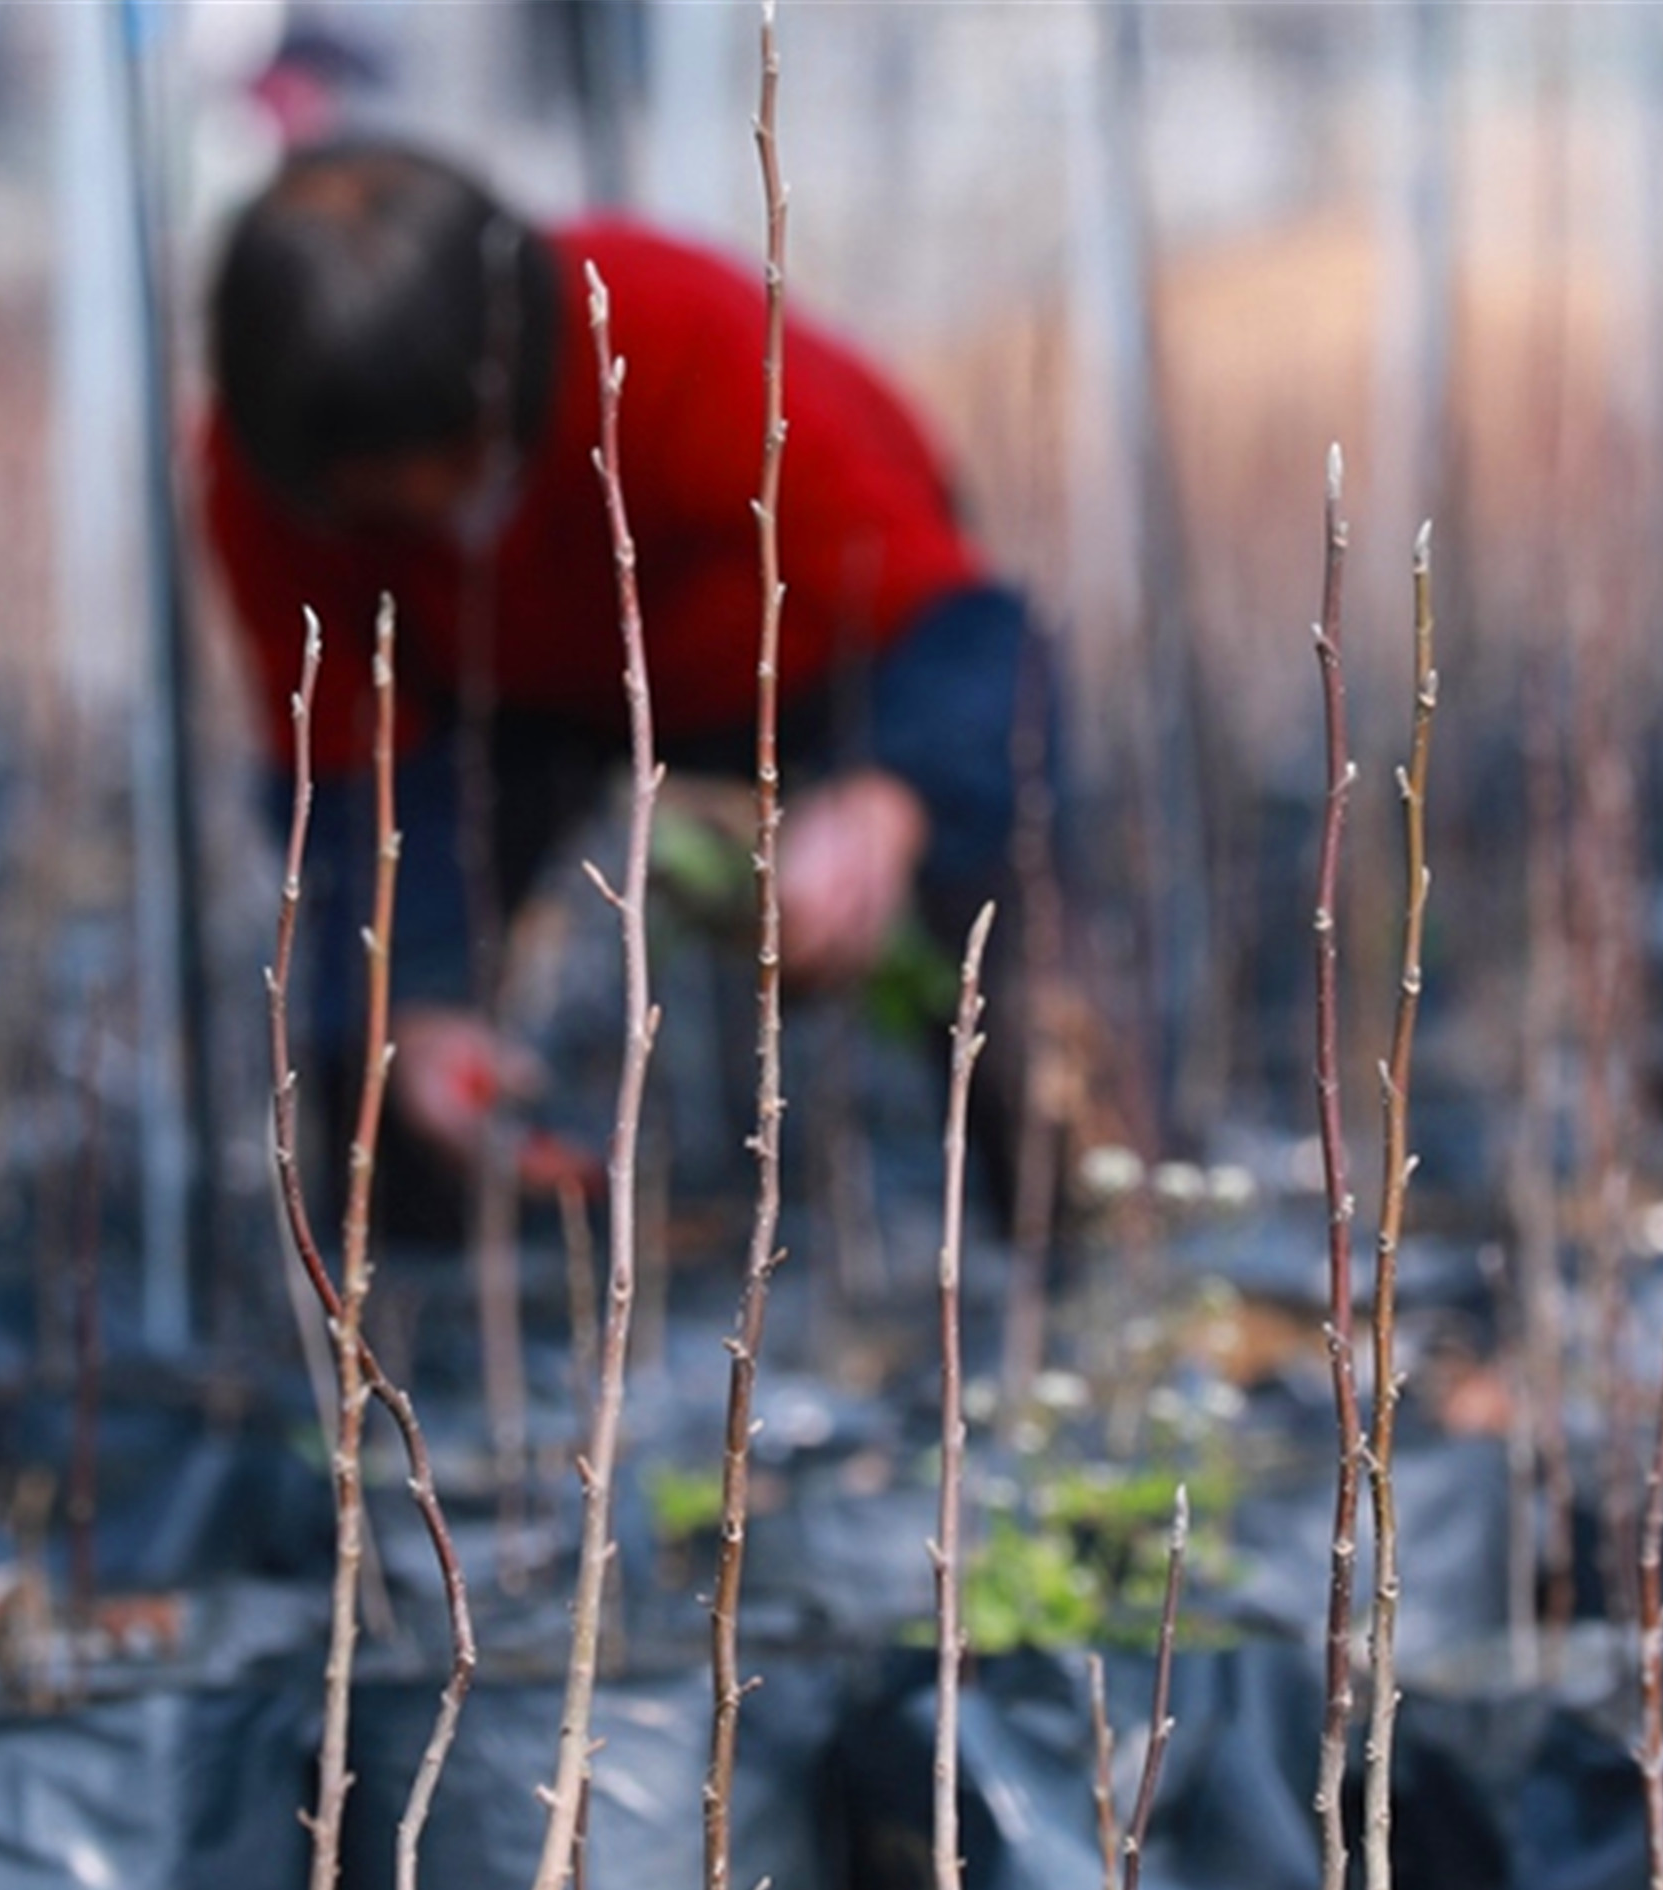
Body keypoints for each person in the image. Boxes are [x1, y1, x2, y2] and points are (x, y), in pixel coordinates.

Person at [201, 137, 1042, 1242]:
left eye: (466, 461)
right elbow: (354, 774)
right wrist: (416, 1005)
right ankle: (411, 1317)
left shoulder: (679, 340)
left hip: (807, 671)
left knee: (1010, 951)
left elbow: (962, 631)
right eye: (392, 509)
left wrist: (887, 805)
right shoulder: (263, 473)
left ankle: (1069, 1234)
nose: (451, 517)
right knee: (370, 1037)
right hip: (501, 711)